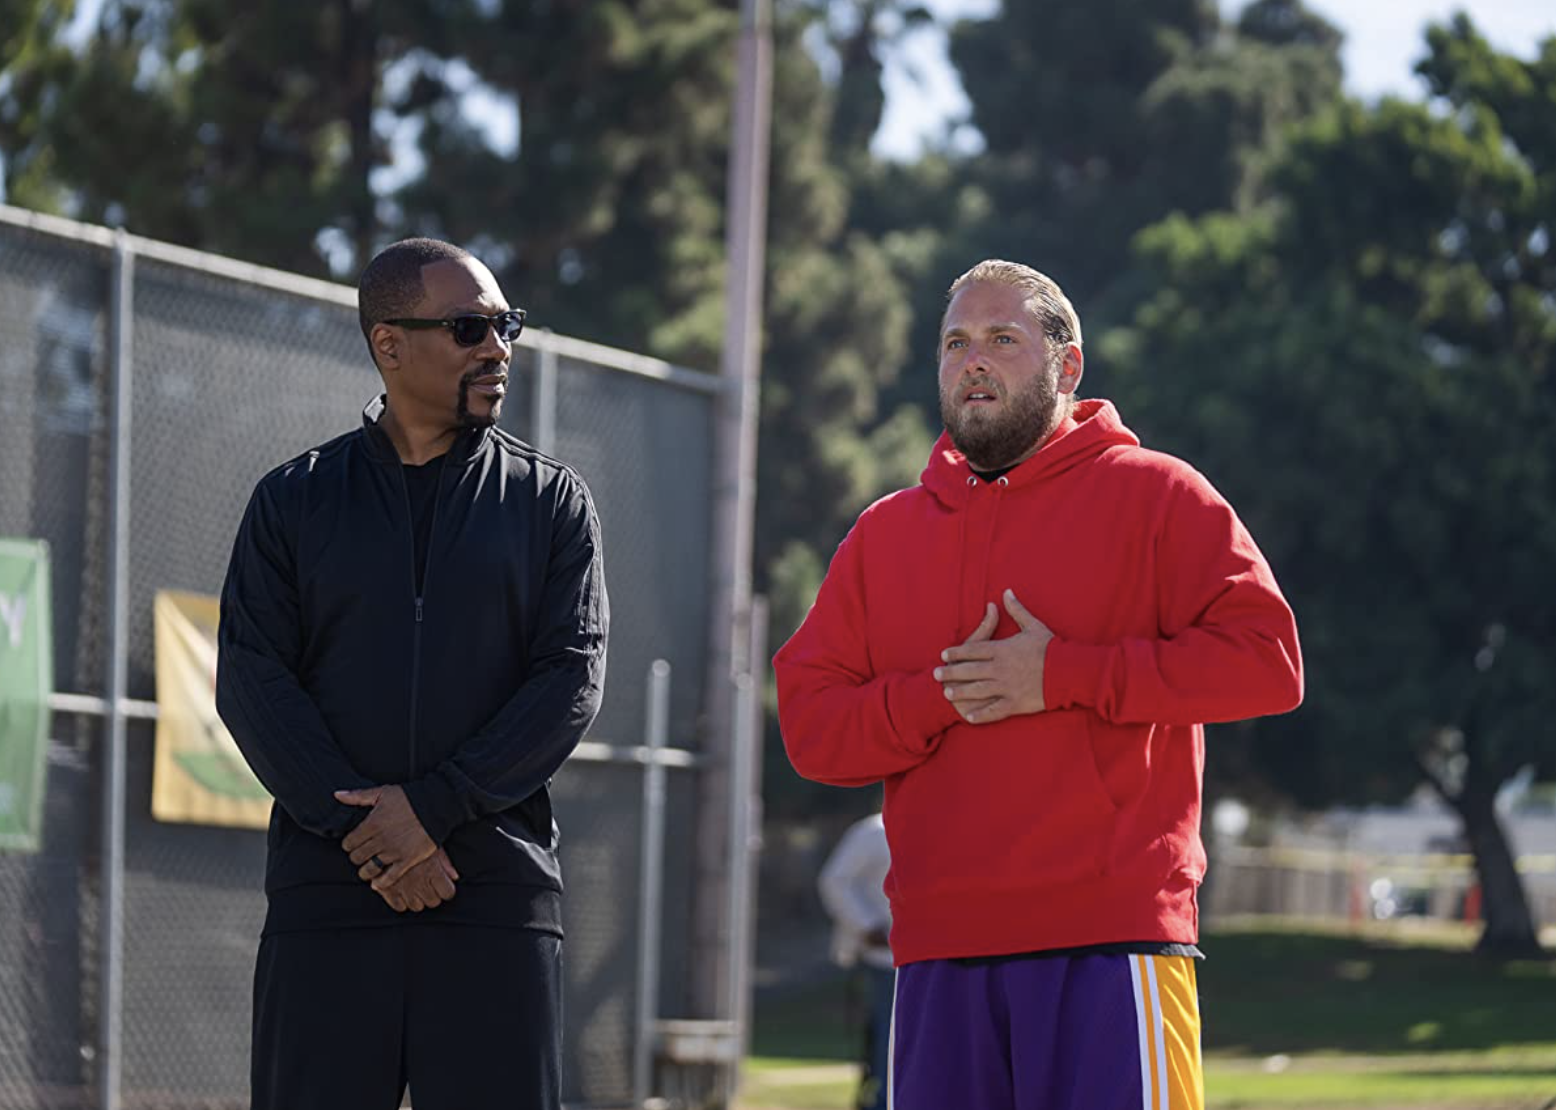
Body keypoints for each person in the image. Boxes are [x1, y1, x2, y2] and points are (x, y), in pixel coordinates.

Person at [773, 259, 1302, 1110]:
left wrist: (1061, 674)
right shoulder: (883, 535)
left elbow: (1268, 662)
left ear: (1068, 365)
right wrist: (941, 694)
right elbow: (811, 726)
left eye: (1001, 339)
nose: (972, 360)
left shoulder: (1160, 495)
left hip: (1113, 943)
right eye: (955, 342)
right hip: (938, 955)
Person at [215, 237, 608, 1110]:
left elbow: (569, 680)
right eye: (470, 328)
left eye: (507, 325)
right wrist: (369, 834)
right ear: (389, 343)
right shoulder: (293, 500)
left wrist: (430, 811)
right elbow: (252, 680)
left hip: (493, 903)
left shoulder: (551, 504)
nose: (497, 349)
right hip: (331, 902)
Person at [816, 808, 894, 1110]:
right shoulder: (875, 831)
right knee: (889, 1044)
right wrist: (867, 926)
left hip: (934, 959)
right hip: (886, 960)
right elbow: (836, 880)